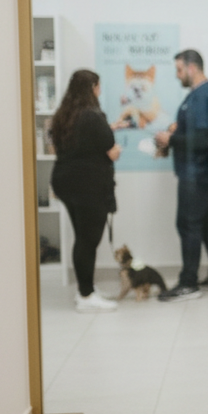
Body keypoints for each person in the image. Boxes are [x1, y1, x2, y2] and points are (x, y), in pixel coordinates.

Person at [155, 49, 208, 301]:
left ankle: (188, 284)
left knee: (188, 224)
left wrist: (171, 138)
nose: (178, 75)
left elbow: (202, 139)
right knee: (206, 223)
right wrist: (177, 132)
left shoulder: (204, 96)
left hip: (199, 173)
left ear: (192, 67)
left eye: (179, 70)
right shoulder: (197, 96)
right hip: (200, 171)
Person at [49, 69, 121, 312]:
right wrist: (114, 149)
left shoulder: (65, 115)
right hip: (88, 186)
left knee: (82, 236)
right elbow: (110, 148)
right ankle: (86, 295)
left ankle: (85, 288)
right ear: (92, 88)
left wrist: (109, 128)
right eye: (98, 87)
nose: (100, 91)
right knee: (88, 239)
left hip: (66, 183)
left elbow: (80, 144)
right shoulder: (92, 116)